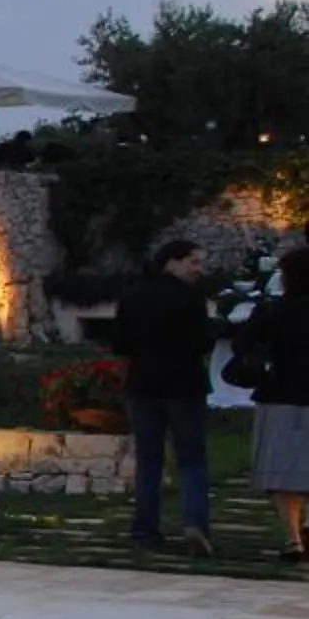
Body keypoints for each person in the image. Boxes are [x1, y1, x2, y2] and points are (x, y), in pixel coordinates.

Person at [112, 236, 217, 553]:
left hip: (143, 386)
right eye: (193, 262)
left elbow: (120, 344)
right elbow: (203, 342)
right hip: (184, 386)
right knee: (191, 460)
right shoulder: (190, 298)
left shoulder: (132, 297)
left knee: (149, 461)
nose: (198, 269)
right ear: (172, 261)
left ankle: (145, 529)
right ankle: (194, 523)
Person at [233, 244, 309, 565]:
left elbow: (242, 344)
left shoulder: (270, 312)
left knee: (281, 471)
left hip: (278, 393)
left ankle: (293, 536)